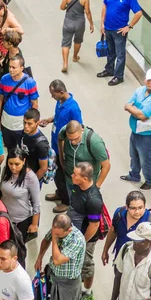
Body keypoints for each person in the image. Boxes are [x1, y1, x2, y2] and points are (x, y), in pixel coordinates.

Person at [101, 190, 151, 300]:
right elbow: (113, 231)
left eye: (140, 208)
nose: (137, 212)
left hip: (141, 267)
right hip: (122, 259)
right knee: (121, 285)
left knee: (135, 293)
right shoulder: (120, 214)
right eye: (133, 208)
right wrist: (105, 250)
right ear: (126, 207)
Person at [120, 68, 151, 190]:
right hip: (135, 130)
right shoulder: (140, 90)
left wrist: (135, 111)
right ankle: (134, 175)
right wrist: (136, 111)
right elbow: (127, 105)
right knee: (133, 155)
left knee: (146, 160)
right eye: (148, 80)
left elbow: (141, 115)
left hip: (148, 136)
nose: (150, 82)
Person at [41, 80, 83, 213]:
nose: (52, 96)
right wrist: (49, 120)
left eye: (53, 94)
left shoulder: (73, 108)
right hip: (55, 144)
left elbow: (79, 127)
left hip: (64, 148)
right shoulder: (60, 102)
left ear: (61, 92)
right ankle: (60, 192)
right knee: (57, 173)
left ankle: (66, 201)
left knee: (63, 174)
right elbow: (58, 117)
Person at [97, 0, 142, 86]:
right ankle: (109, 69)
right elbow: (104, 6)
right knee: (111, 51)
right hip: (108, 27)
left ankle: (118, 76)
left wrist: (129, 26)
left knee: (120, 54)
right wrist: (102, 23)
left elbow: (138, 13)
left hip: (119, 31)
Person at [68, 162, 103, 300]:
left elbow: (94, 225)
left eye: (75, 174)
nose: (72, 175)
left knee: (86, 264)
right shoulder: (77, 186)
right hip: (74, 232)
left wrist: (82, 242)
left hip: (86, 238)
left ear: (85, 178)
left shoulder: (94, 199)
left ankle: (87, 292)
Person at [58, 120, 111, 200]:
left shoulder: (94, 142)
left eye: (76, 139)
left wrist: (96, 187)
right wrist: (61, 159)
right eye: (70, 139)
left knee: (85, 206)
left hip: (86, 185)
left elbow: (106, 165)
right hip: (70, 179)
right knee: (73, 202)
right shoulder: (64, 131)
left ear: (81, 131)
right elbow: (60, 139)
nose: (73, 142)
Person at [0, 56, 39, 151]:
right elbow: (0, 99)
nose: (11, 70)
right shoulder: (4, 79)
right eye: (10, 67)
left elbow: (35, 104)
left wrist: (32, 124)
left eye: (14, 67)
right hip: (6, 122)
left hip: (21, 124)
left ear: (22, 68)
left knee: (22, 150)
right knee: (9, 148)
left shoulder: (30, 83)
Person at [0, 146, 41, 243]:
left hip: (21, 221)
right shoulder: (6, 170)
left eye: (17, 164)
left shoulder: (30, 177)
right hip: (5, 217)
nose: (13, 167)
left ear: (24, 161)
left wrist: (34, 224)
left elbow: (36, 203)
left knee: (18, 250)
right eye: (10, 163)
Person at [60, 0, 94, 73]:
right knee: (78, 41)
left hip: (68, 22)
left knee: (65, 43)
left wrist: (67, 6)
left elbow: (62, 7)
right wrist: (91, 24)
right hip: (80, 23)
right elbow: (87, 12)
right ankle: (75, 57)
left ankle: (65, 63)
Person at [0, 0, 24, 74]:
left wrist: (8, 29)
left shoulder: (9, 17)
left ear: (2, 9)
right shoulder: (0, 15)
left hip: (3, 49)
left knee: (3, 69)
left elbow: (21, 30)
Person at [21, 108, 49, 182]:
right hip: (23, 171)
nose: (26, 126)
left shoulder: (41, 145)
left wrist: (31, 182)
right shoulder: (24, 133)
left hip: (34, 177)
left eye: (29, 124)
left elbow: (43, 168)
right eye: (24, 122)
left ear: (37, 123)